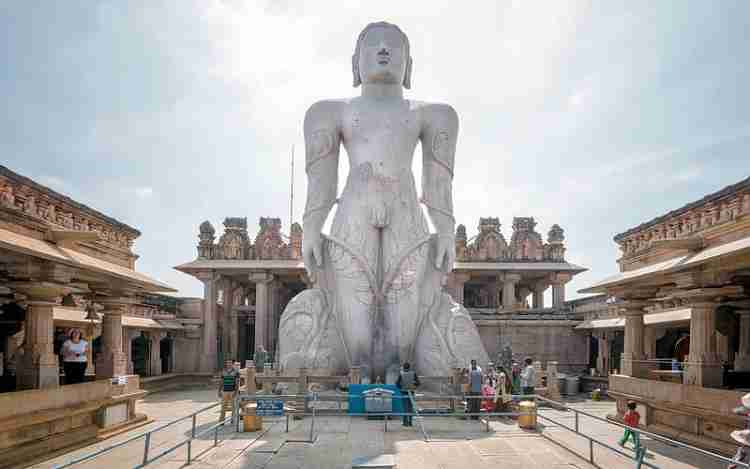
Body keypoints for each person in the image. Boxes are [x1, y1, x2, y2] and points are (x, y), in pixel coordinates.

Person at [396, 362, 419, 426]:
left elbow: (397, 383)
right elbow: (418, 383)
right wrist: (414, 387)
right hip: (411, 392)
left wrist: (401, 387)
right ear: (409, 367)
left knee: (405, 408)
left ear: (403, 367)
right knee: (410, 407)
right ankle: (410, 422)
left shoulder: (401, 374)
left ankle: (405, 422)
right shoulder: (413, 373)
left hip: (403, 392)